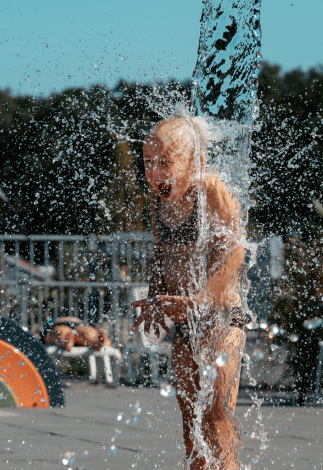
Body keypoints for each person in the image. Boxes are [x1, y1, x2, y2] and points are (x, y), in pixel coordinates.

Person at [132, 115, 249, 469]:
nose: (155, 173)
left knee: (215, 417)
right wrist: (155, 299)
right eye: (149, 163)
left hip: (222, 319)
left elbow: (235, 253)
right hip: (187, 322)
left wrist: (201, 300)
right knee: (190, 425)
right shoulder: (160, 201)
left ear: (193, 161)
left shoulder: (211, 191)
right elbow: (161, 254)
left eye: (165, 162)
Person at [39, 316, 111, 351]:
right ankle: (98, 342)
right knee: (86, 335)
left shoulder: (48, 325)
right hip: (77, 323)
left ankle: (67, 341)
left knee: (53, 336)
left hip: (58, 323)